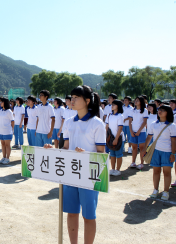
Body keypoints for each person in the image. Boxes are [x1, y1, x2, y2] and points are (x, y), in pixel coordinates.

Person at [45, 85, 105, 244]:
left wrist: (85, 155)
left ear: (87, 100)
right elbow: (66, 148)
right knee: (71, 213)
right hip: (71, 173)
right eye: (71, 97)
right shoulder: (69, 122)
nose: (72, 100)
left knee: (88, 216)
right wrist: (53, 150)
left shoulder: (97, 123)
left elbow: (101, 154)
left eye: (76, 97)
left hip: (89, 175)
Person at [145, 105, 176, 200]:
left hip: (167, 152)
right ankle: (155, 190)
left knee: (166, 172)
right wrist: (144, 149)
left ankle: (166, 192)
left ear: (168, 113)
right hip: (156, 151)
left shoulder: (172, 125)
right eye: (159, 110)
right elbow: (149, 137)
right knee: (156, 171)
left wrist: (173, 153)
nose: (160, 111)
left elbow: (173, 141)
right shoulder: (154, 124)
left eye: (163, 110)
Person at [128, 96, 148, 170]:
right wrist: (131, 131)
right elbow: (130, 121)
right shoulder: (132, 110)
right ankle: (133, 162)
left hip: (141, 132)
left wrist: (139, 131)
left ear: (141, 102)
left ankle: (142, 163)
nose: (135, 101)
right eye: (135, 100)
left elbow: (144, 122)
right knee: (134, 147)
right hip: (133, 131)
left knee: (142, 148)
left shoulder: (145, 110)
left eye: (137, 100)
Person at [106, 100, 124, 176]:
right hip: (110, 138)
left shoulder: (120, 116)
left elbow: (120, 128)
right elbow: (106, 126)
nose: (112, 106)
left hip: (118, 138)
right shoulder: (109, 115)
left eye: (114, 104)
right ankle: (113, 169)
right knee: (112, 154)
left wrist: (116, 139)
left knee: (118, 154)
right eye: (112, 104)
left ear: (118, 106)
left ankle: (118, 170)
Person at [0, 97, 14, 165]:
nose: (0, 103)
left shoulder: (9, 111)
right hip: (1, 131)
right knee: (2, 144)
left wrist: (12, 130)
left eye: (1, 102)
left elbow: (12, 121)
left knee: (7, 145)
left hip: (7, 131)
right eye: (0, 102)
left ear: (5, 103)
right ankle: (3, 157)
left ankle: (7, 158)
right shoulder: (0, 111)